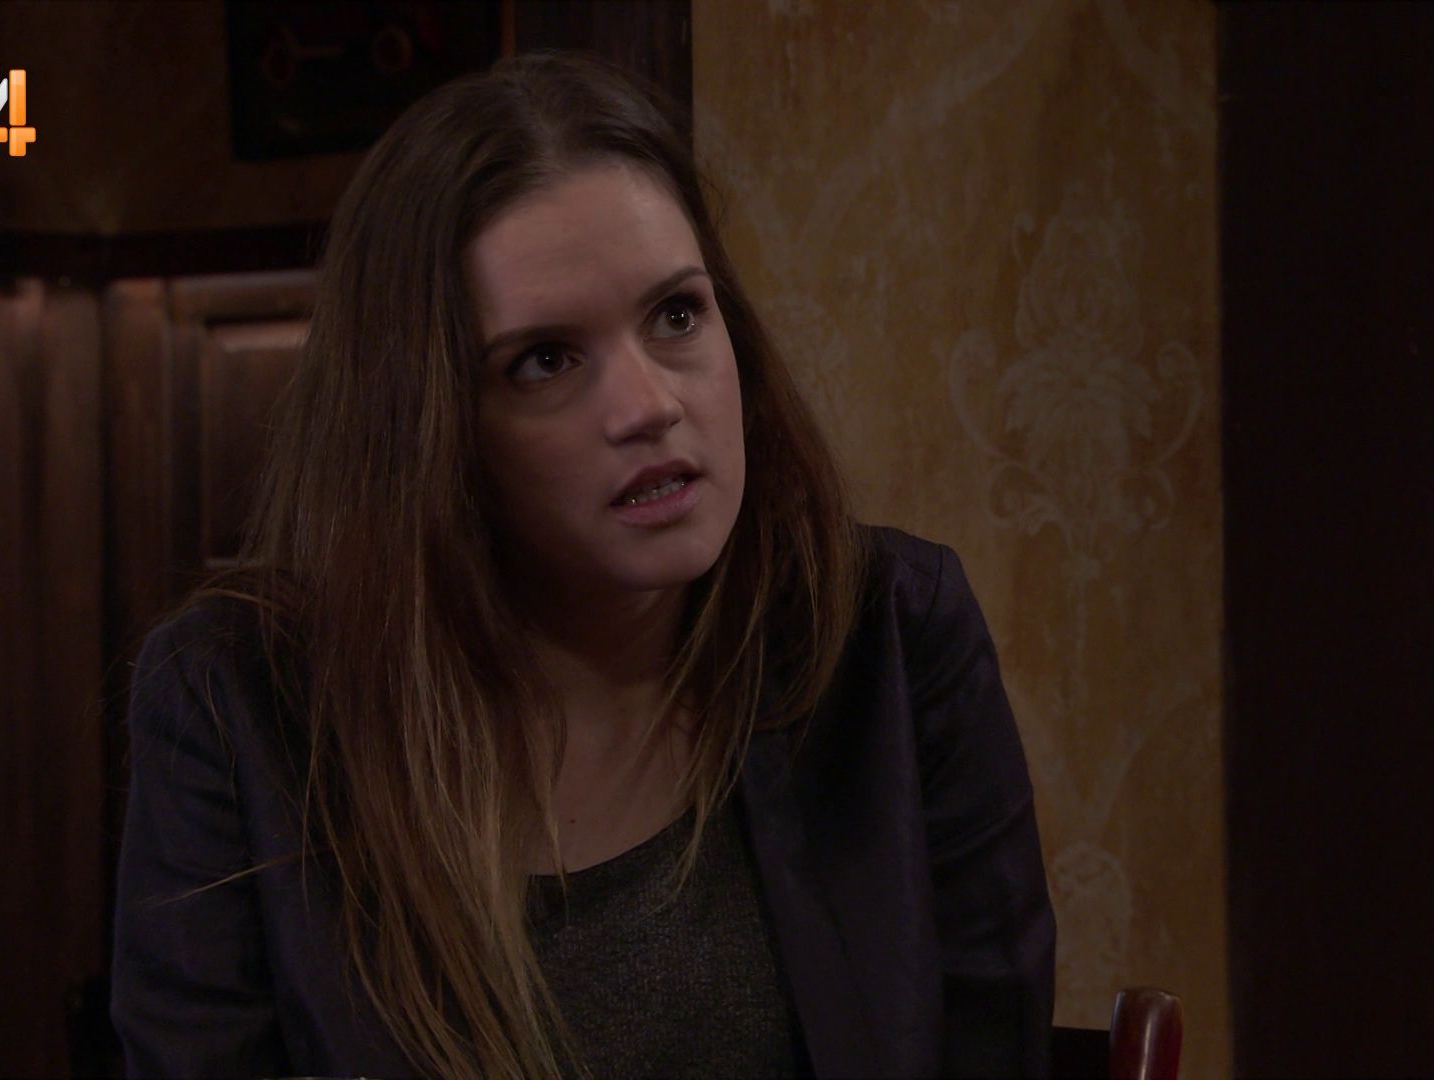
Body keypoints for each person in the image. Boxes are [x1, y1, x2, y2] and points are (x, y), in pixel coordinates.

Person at [110, 50, 1054, 1080]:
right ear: (426, 431)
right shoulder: (241, 707)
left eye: (677, 315)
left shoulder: (891, 638)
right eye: (546, 361)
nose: (649, 406)